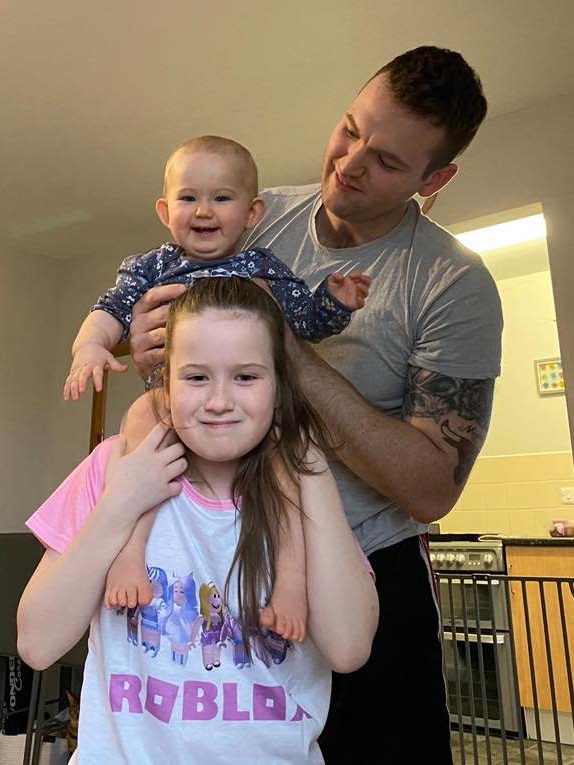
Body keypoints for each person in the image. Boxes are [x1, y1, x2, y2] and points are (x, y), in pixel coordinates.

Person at [124, 47, 504, 765]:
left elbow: (430, 488)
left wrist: (289, 349)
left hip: (366, 568)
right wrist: (148, 339)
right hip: (230, 560)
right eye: (349, 129)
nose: (350, 163)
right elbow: (169, 356)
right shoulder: (252, 217)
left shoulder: (450, 282)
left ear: (436, 178)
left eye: (388, 161)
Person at [18, 277, 379, 765]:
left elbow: (349, 648)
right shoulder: (112, 468)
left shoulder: (304, 492)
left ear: (280, 387)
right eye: (196, 377)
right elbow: (37, 644)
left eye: (247, 377)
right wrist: (122, 502)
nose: (218, 401)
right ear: (165, 385)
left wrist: (308, 465)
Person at [62, 135, 371, 644]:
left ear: (252, 213)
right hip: (174, 403)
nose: (203, 211)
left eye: (221, 198)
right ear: (165, 210)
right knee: (138, 421)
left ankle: (291, 583)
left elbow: (305, 324)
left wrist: (334, 302)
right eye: (188, 198)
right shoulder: (153, 267)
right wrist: (89, 349)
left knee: (291, 472)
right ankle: (128, 552)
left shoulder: (263, 269)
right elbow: (110, 311)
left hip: (252, 412)